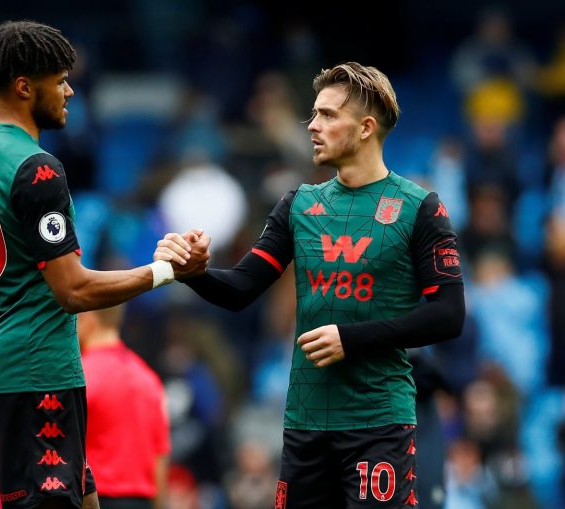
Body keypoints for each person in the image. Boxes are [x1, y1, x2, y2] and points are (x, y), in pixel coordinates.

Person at [0, 20, 209, 509]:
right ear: (25, 87)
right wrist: (167, 271)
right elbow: (74, 291)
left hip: (3, 372)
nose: (69, 92)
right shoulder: (38, 168)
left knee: (84, 499)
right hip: (39, 372)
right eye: (60, 81)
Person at [155, 62, 466, 508]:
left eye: (327, 115)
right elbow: (241, 288)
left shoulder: (420, 208)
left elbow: (448, 315)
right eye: (314, 114)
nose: (313, 126)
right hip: (305, 423)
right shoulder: (298, 204)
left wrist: (350, 339)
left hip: (378, 423)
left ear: (365, 127)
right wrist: (193, 273)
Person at [77, 305, 170, 509]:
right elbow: (160, 459)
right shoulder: (149, 379)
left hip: (95, 501)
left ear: (87, 318)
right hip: (142, 502)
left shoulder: (79, 377)